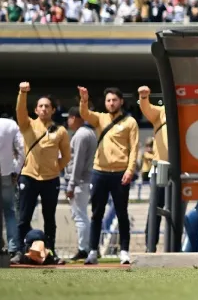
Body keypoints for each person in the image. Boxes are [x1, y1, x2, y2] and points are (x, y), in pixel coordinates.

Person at [77, 86, 139, 266]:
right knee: (97, 214)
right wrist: (84, 99)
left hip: (121, 173)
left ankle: (124, 252)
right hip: (99, 172)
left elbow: (134, 148)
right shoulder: (100, 118)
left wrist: (130, 170)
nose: (111, 103)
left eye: (114, 100)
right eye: (108, 100)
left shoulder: (130, 122)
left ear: (121, 102)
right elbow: (84, 113)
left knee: (122, 214)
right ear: (105, 103)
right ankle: (93, 252)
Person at [14, 83, 70, 265]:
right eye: (41, 106)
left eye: (47, 106)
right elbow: (20, 110)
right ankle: (20, 251)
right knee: (23, 218)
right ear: (36, 110)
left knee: (49, 219)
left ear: (53, 110)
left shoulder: (60, 130)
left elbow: (67, 156)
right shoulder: (27, 125)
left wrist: (54, 168)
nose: (44, 109)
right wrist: (23, 93)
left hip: (51, 179)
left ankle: (50, 252)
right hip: (29, 176)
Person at [0, 100, 25, 258]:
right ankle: (12, 248)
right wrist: (15, 170)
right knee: (10, 212)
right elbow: (22, 150)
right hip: (5, 175)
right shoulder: (10, 124)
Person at [137, 85, 169, 252]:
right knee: (155, 208)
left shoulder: (188, 111)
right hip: (161, 168)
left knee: (178, 210)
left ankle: (174, 246)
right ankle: (150, 246)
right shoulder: (161, 111)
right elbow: (146, 108)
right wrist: (144, 97)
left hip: (181, 170)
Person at [63, 106, 97, 262]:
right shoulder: (90, 132)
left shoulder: (81, 134)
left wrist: (71, 184)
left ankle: (84, 248)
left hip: (80, 181)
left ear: (75, 118)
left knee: (80, 216)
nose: (68, 121)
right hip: (85, 179)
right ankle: (89, 247)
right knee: (83, 216)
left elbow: (77, 162)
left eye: (69, 117)